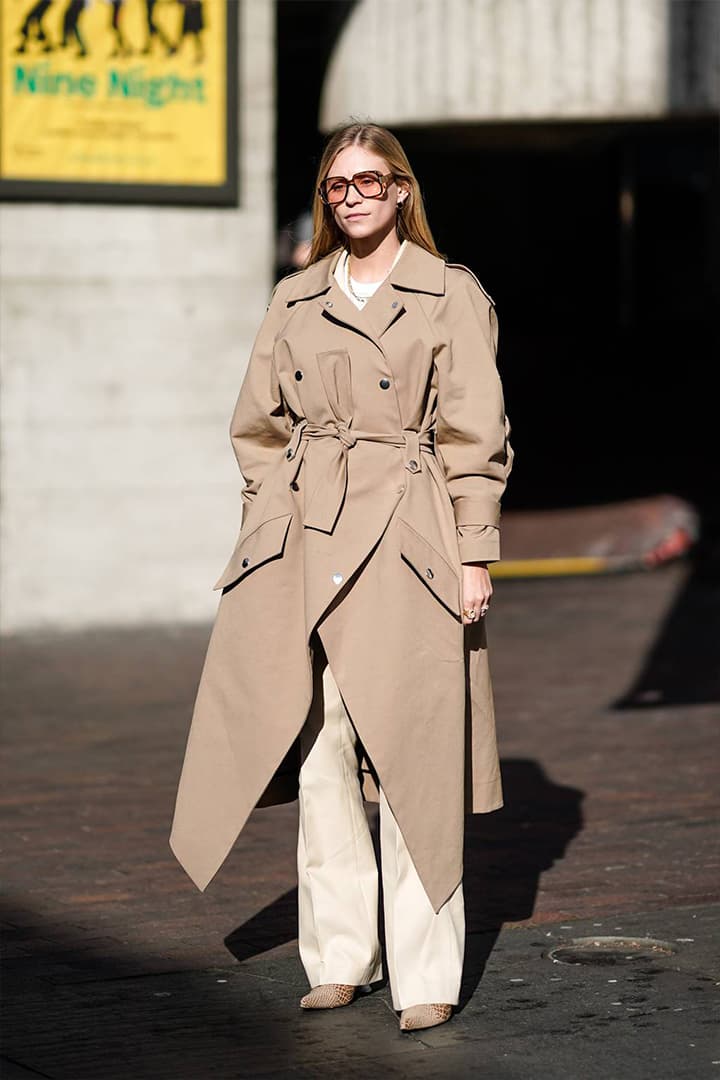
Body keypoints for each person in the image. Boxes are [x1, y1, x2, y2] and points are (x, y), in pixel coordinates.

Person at [169, 122, 514, 1032]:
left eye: (370, 181)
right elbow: (256, 428)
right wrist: (268, 521)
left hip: (409, 537)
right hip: (305, 542)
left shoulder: (449, 294)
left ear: (403, 191)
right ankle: (338, 957)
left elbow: (478, 436)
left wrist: (473, 551)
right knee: (320, 755)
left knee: (411, 752)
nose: (352, 195)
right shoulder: (295, 297)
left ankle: (426, 971)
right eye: (336, 185)